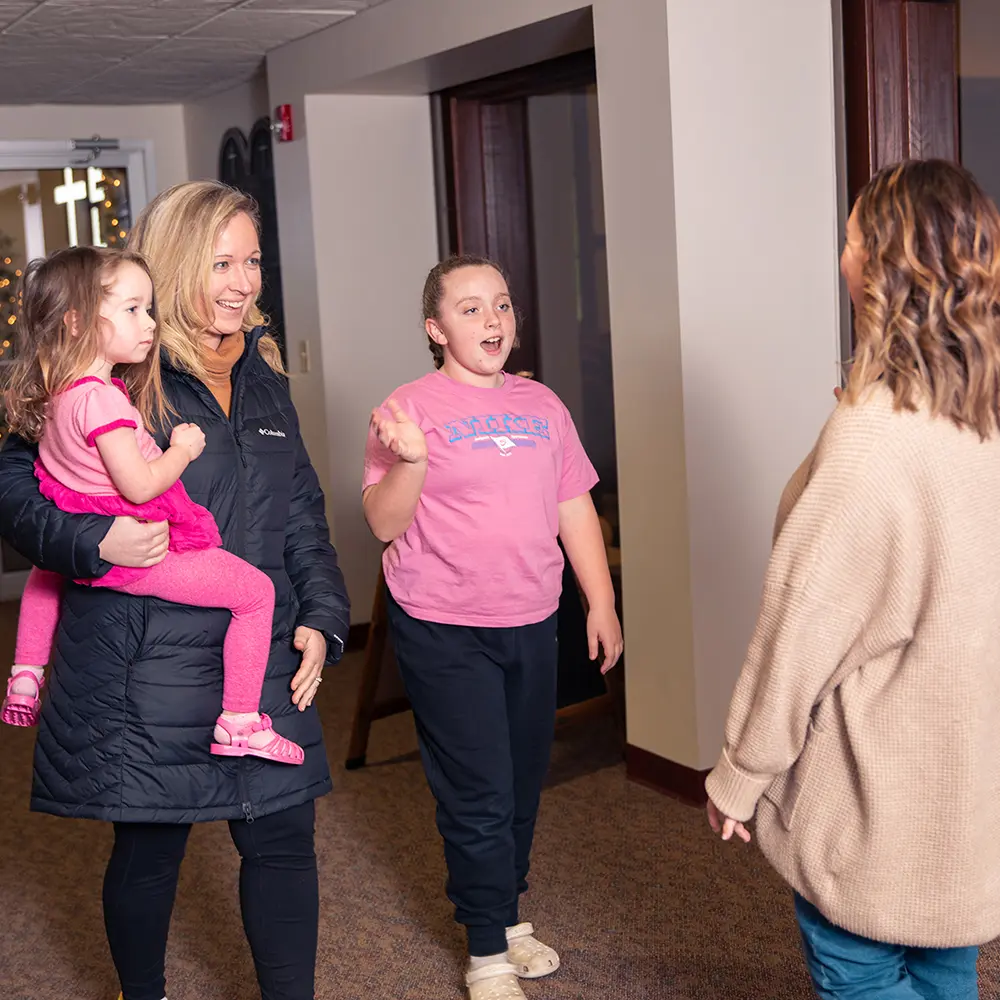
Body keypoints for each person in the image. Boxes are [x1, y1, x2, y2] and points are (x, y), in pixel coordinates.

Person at [0, 180, 349, 1000]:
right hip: (145, 661)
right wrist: (93, 539)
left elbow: (300, 509)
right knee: (151, 852)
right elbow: (17, 493)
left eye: (253, 260)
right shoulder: (112, 373)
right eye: (221, 262)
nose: (243, 281)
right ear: (175, 265)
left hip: (254, 653)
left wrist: (325, 615)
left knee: (284, 840)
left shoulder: (262, 374)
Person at [704, 158, 1000, 1000]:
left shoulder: (875, 444)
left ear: (882, 266)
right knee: (947, 966)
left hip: (880, 793)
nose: (840, 255)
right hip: (966, 781)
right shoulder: (978, 412)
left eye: (850, 239)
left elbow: (803, 625)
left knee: (861, 974)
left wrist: (742, 772)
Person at [362, 254, 623, 1000]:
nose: (493, 320)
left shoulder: (542, 407)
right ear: (434, 327)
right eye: (470, 308)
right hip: (443, 625)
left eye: (501, 305)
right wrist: (409, 461)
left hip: (532, 617)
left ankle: (505, 918)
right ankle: (485, 955)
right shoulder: (406, 409)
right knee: (475, 791)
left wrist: (598, 602)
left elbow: (574, 506)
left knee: (519, 783)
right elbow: (383, 522)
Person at [1, 245, 303, 765]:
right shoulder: (102, 398)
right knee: (255, 593)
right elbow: (139, 486)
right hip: (138, 550)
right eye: (133, 309)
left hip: (83, 532)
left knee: (44, 574)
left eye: (149, 307)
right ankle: (239, 722)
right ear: (76, 322)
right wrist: (181, 450)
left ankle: (26, 675)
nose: (150, 323)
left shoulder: (56, 391)